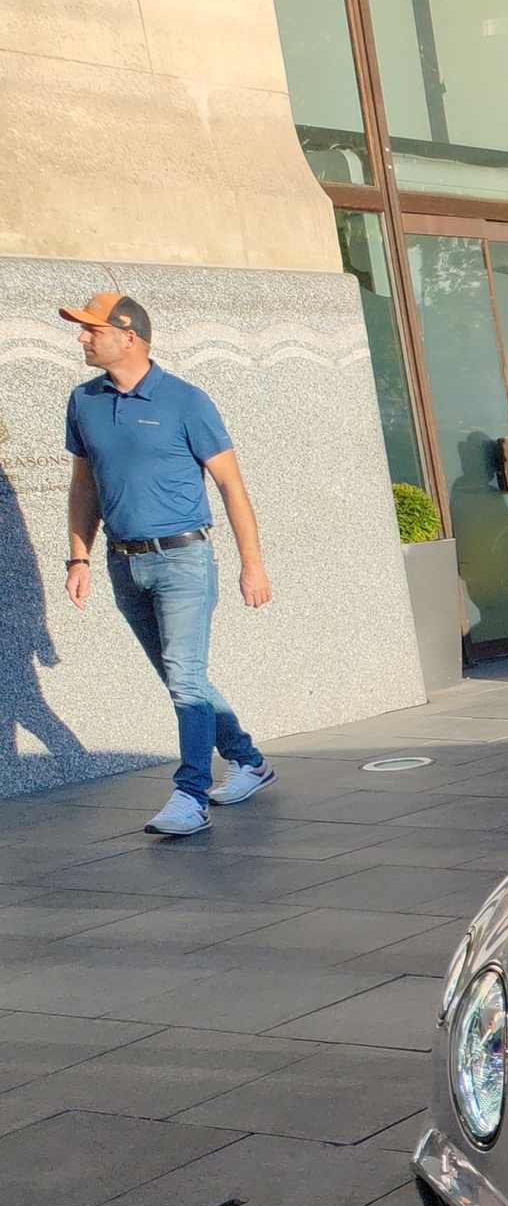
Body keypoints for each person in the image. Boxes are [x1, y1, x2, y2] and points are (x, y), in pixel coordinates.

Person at [59, 291, 275, 837]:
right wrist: (78, 556)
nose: (82, 338)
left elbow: (231, 484)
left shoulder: (186, 401)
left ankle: (191, 794)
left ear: (128, 335)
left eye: (91, 330)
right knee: (183, 677)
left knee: (184, 678)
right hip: (120, 562)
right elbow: (83, 485)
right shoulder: (83, 401)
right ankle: (248, 760)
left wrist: (253, 563)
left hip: (183, 559)